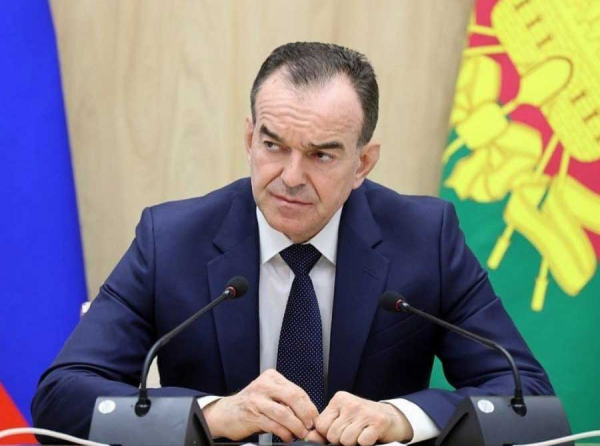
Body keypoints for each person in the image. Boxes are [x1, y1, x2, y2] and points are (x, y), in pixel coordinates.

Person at [32, 42, 553, 445]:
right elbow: (60, 397)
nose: (291, 177)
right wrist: (213, 413)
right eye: (273, 145)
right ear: (249, 138)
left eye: (321, 155)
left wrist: (400, 418)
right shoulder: (171, 240)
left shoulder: (425, 238)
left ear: (363, 164)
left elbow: (530, 400)